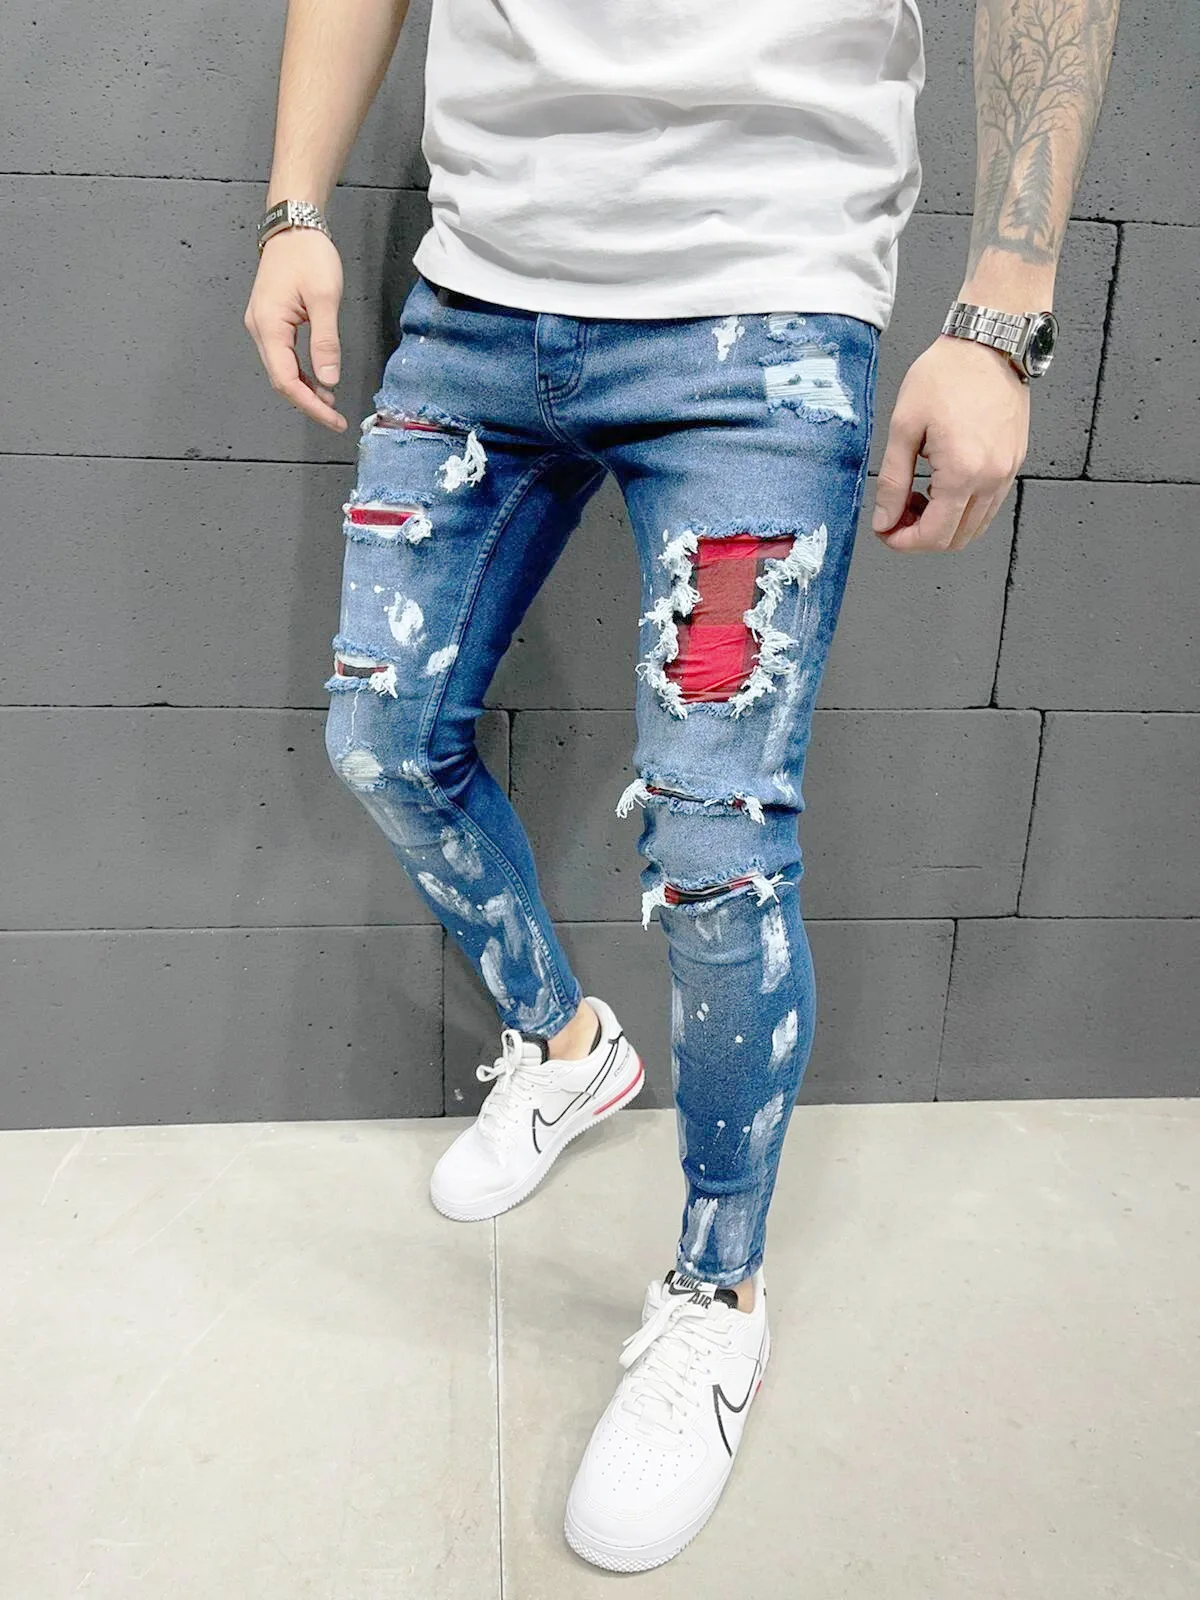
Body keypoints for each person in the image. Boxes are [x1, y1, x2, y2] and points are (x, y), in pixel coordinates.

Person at [243, 0, 1118, 1572]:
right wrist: (295, 202)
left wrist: (1004, 311)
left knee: (717, 851)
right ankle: (566, 1045)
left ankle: (719, 1296)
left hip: (763, 310)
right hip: (477, 293)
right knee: (382, 739)